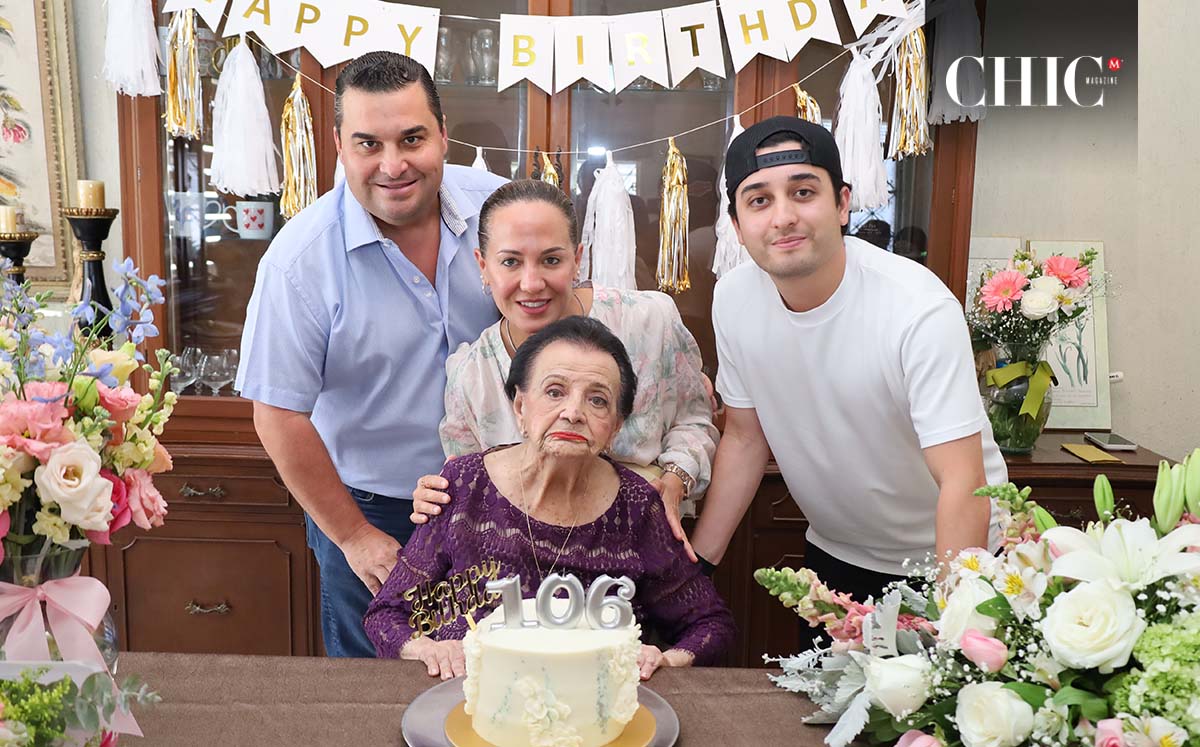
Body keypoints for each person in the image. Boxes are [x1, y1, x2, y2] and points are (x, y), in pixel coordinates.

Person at [234, 52, 507, 657]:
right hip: (372, 513)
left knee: (502, 682)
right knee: (377, 694)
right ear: (338, 146)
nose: (393, 165)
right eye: (368, 144)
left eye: (412, 138)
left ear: (443, 132)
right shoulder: (298, 262)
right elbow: (277, 414)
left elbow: (565, 314)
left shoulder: (504, 212)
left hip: (505, 503)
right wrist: (355, 537)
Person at [691, 116, 1007, 605]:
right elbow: (745, 436)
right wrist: (699, 566)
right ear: (736, 225)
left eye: (802, 193)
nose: (782, 217)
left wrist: (955, 617)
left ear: (841, 204)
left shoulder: (917, 308)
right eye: (759, 200)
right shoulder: (733, 299)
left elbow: (962, 478)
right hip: (833, 555)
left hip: (947, 559)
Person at [365, 316, 736, 679]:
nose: (573, 413)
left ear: (615, 427)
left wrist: (667, 660)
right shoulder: (464, 486)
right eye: (555, 392)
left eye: (598, 401)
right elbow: (387, 613)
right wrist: (427, 648)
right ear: (521, 408)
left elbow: (710, 623)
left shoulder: (637, 507)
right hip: (472, 702)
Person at [411, 180, 717, 559]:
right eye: (510, 262)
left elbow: (695, 421)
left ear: (577, 259)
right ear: (483, 266)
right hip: (526, 571)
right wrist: (441, 495)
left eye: (551, 260)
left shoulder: (649, 322)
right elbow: (470, 485)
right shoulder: (471, 375)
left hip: (644, 554)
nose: (531, 283)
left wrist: (675, 479)